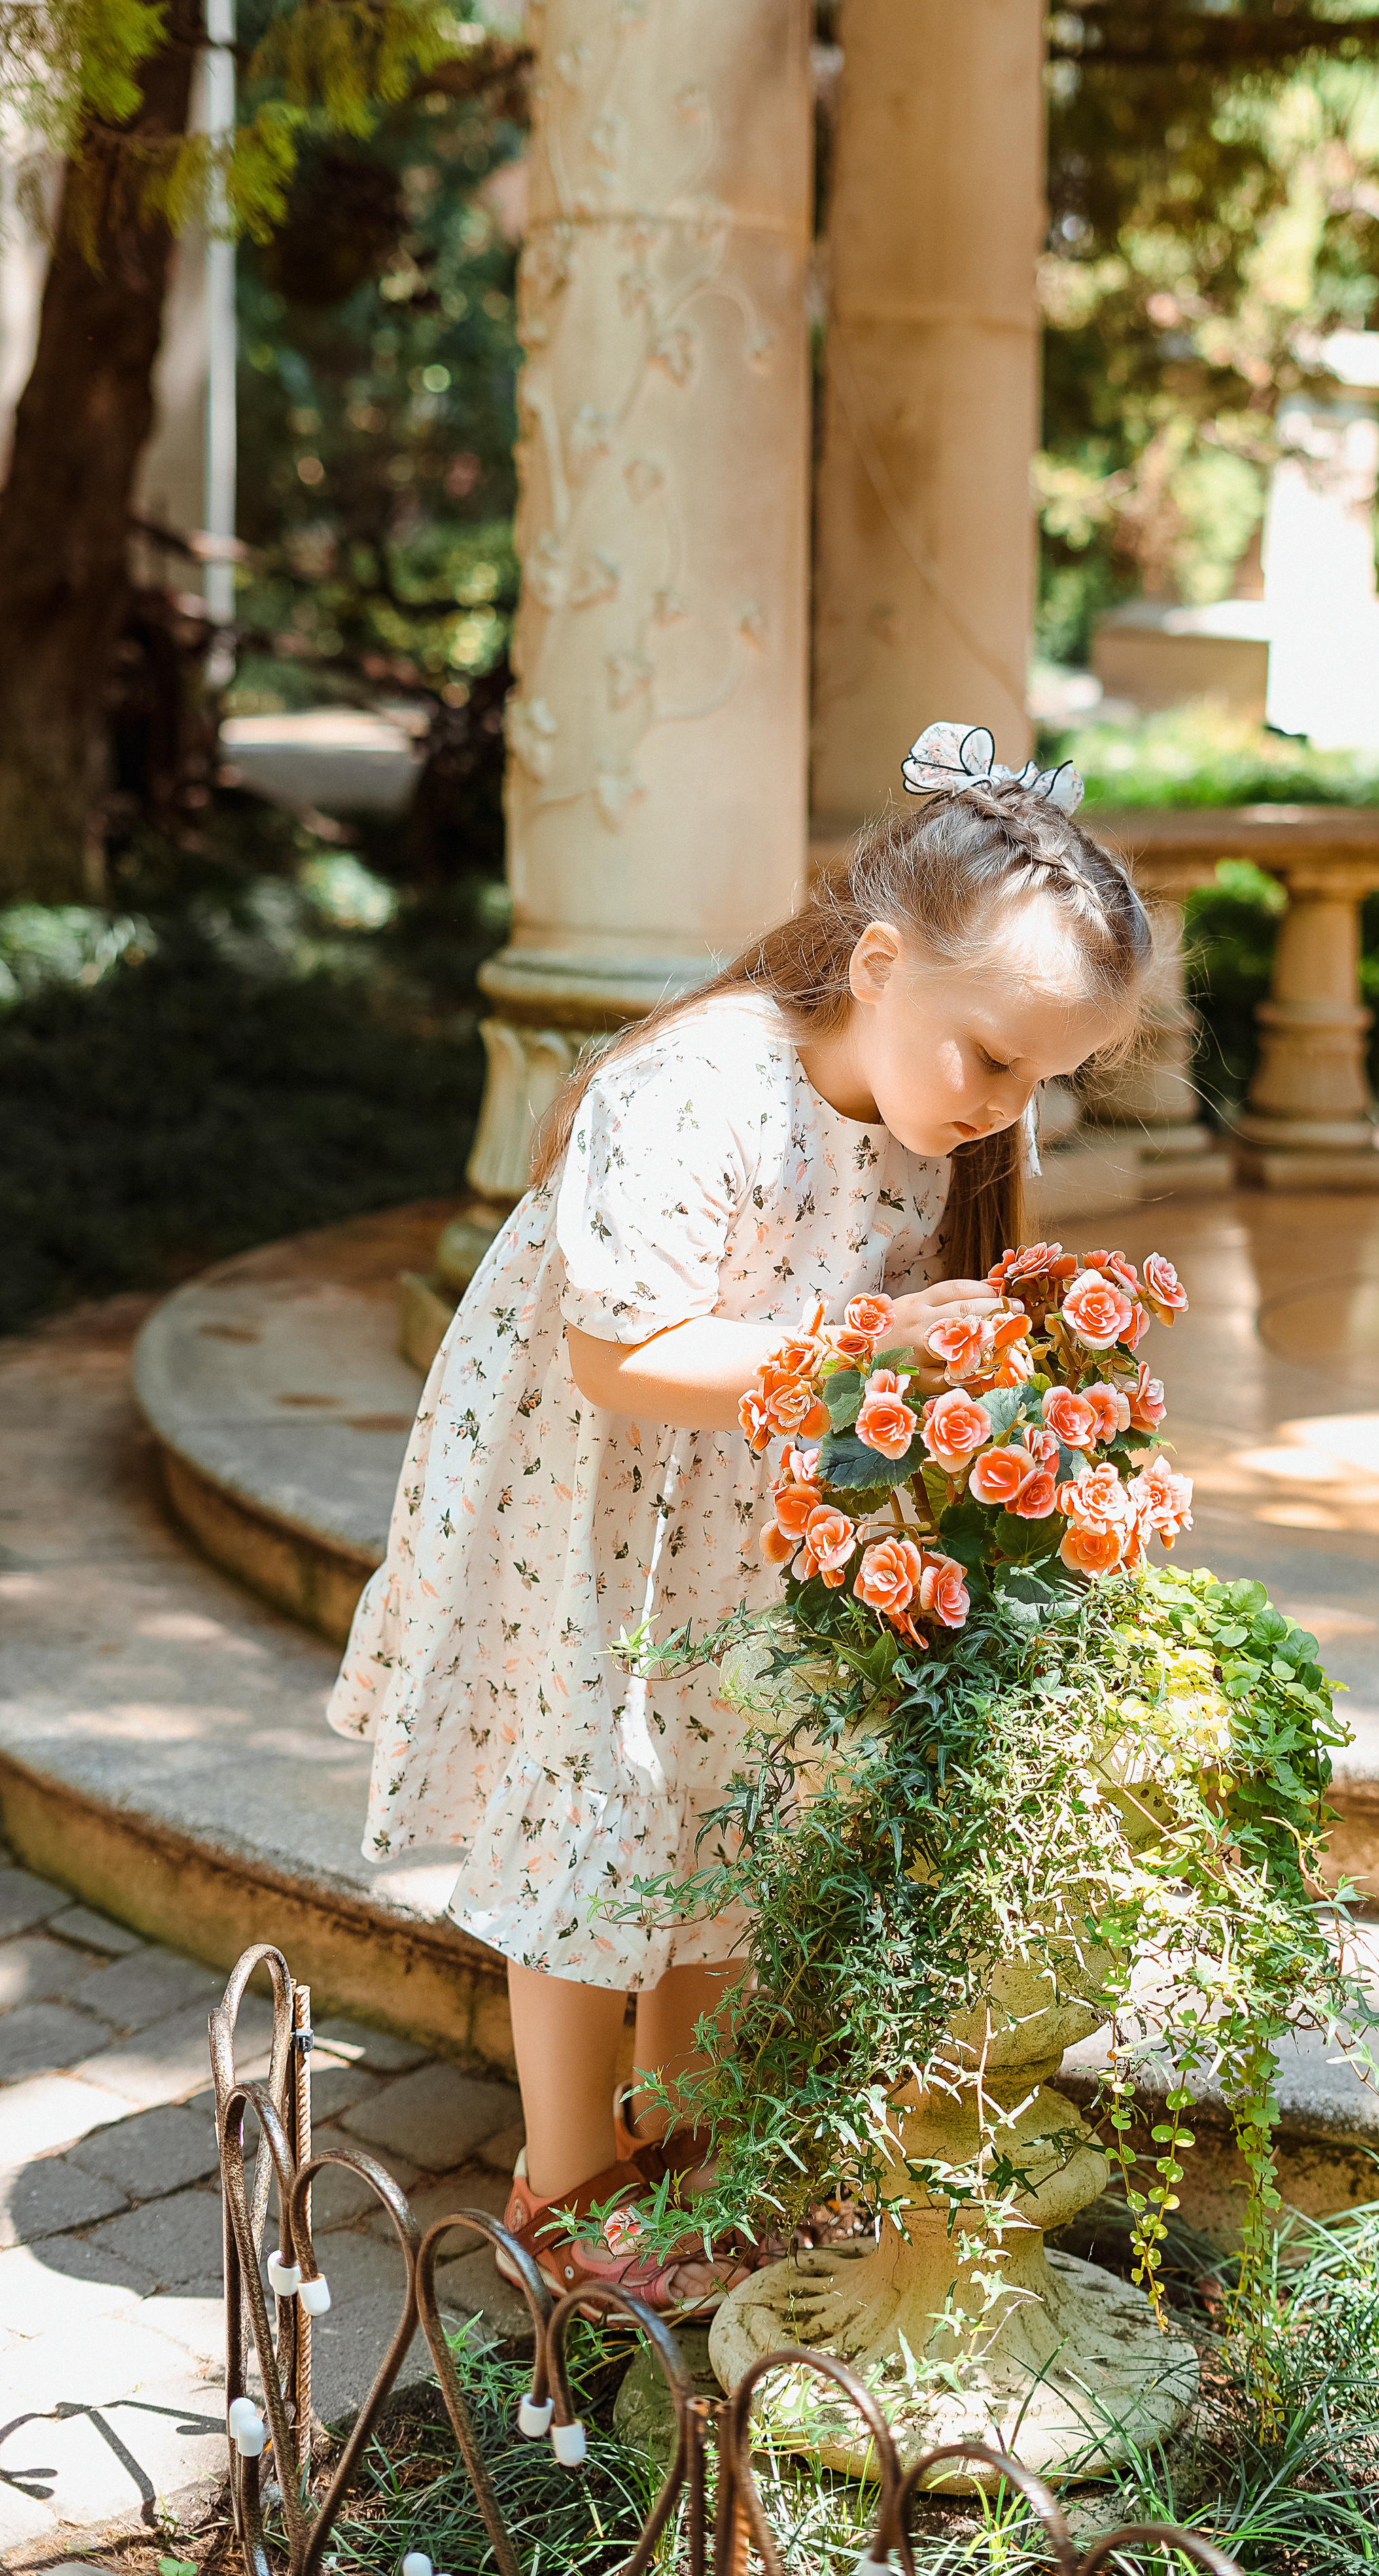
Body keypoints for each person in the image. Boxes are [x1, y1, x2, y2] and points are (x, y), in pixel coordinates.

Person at [326, 721, 1154, 2315]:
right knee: (604, 1794)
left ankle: (684, 2139)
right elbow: (622, 1356)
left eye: (1041, 1077)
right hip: (597, 1499)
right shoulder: (696, 1085)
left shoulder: (945, 1106)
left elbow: (896, 1299)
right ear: (879, 960)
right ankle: (563, 2181)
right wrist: (862, 1354)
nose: (1001, 1108)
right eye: (990, 1057)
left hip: (746, 1497)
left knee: (726, 1795)